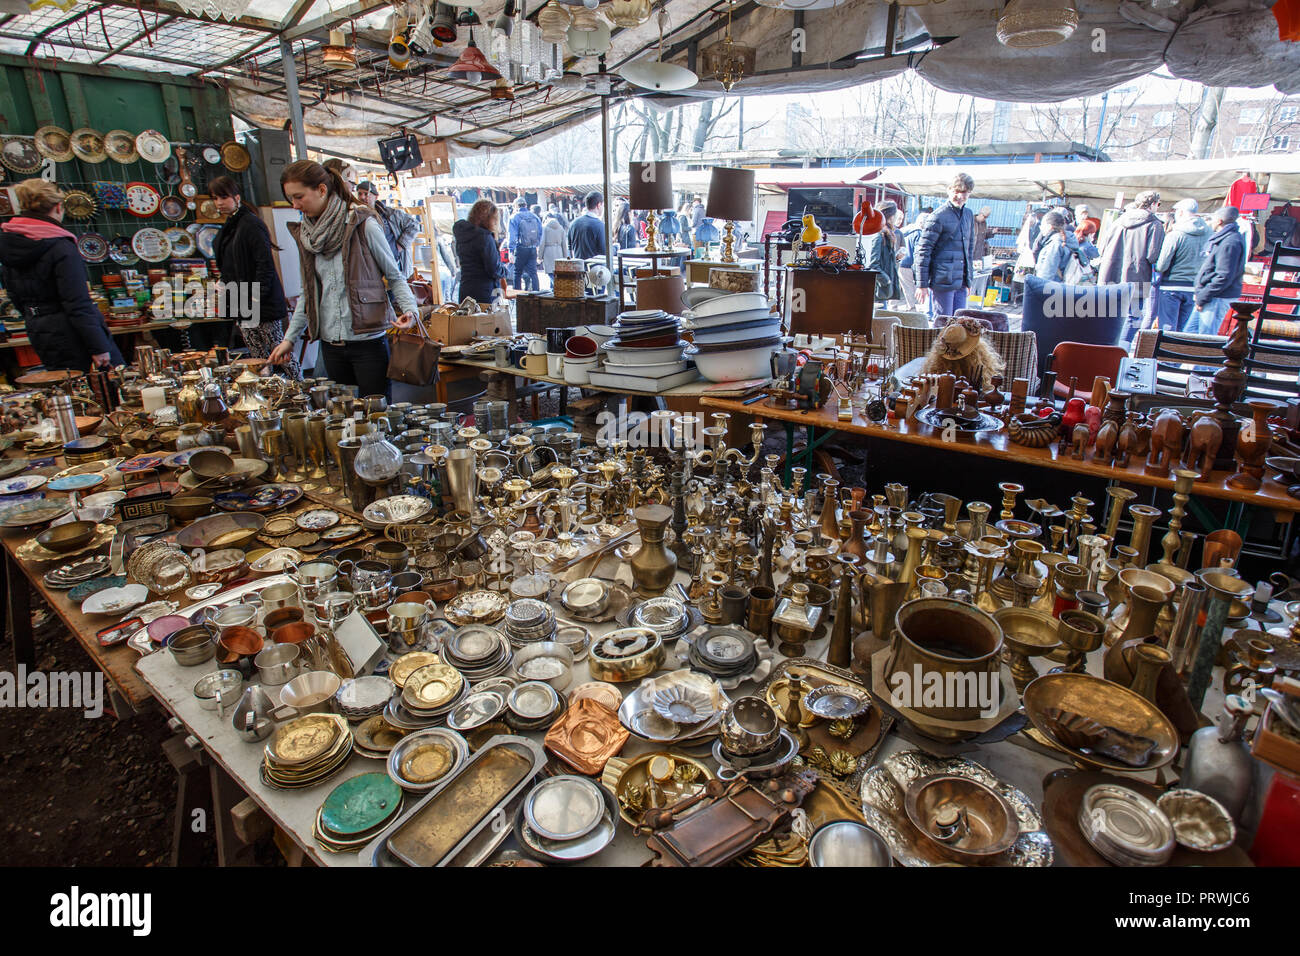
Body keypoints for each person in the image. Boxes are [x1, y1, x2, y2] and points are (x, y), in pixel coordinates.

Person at [268, 160, 416, 400]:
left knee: (376, 417)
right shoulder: (307, 235)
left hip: (368, 342)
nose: (295, 205)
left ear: (322, 190)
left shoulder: (363, 224)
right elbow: (309, 293)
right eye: (290, 199)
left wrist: (411, 311)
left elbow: (394, 276)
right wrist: (289, 339)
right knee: (342, 418)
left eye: (299, 197)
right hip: (330, 344)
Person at [0, 179, 123, 372]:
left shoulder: (9, 241)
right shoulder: (59, 246)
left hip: (39, 329)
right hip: (74, 332)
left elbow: (14, 296)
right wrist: (99, 347)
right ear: (58, 207)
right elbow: (77, 303)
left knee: (66, 388)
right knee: (109, 386)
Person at [209, 175, 300, 379]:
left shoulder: (250, 224)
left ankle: (301, 391)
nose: (219, 202)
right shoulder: (231, 226)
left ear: (237, 196)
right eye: (215, 198)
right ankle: (266, 392)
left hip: (260, 302)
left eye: (224, 197)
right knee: (257, 357)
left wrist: (255, 297)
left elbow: (264, 265)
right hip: (242, 300)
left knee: (280, 353)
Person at [1098, 189, 1164, 339]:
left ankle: (1104, 346)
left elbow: (1102, 248)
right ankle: (1121, 351)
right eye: (1158, 204)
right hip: (1136, 277)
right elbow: (1153, 256)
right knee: (1132, 317)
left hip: (1110, 274)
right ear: (1153, 204)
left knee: (1108, 314)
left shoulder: (1117, 222)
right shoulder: (1154, 225)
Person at [915, 172, 976, 323]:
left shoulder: (968, 215)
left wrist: (968, 281)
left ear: (969, 193)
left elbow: (968, 250)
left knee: (961, 326)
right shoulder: (937, 216)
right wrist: (921, 284)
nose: (960, 196)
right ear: (949, 190)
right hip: (942, 281)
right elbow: (923, 251)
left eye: (964, 192)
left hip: (960, 282)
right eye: (957, 191)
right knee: (943, 325)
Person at [1153, 198, 1210, 332]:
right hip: (1194, 286)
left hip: (1171, 286)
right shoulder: (1209, 233)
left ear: (1181, 212)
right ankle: (1175, 352)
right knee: (1183, 329)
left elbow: (1162, 265)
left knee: (1167, 327)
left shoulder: (1175, 234)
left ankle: (1163, 352)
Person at [1192, 206, 1247, 335]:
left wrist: (1203, 297)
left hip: (1216, 297)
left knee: (1205, 338)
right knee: (1189, 334)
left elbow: (1223, 276)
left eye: (1213, 218)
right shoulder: (1226, 239)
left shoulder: (1230, 242)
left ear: (1220, 221)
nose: (1211, 221)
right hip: (1210, 295)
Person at [355, 180, 420, 279]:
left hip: (395, 266)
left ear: (376, 197)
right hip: (373, 271)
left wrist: (400, 245)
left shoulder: (391, 214)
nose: (363, 197)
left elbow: (414, 225)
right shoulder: (356, 218)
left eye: (366, 194)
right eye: (360, 194)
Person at [453, 198, 508, 305]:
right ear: (491, 218)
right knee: (485, 321)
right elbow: (493, 269)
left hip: (466, 289)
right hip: (485, 292)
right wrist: (505, 271)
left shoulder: (463, 234)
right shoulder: (485, 238)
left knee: (468, 320)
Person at [862, 200, 900, 304]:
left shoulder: (885, 235)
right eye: (895, 215)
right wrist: (886, 281)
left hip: (882, 288)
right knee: (879, 315)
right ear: (890, 216)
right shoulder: (879, 236)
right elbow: (873, 265)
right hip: (879, 289)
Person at [896, 208, 931, 311]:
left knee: (899, 286)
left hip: (899, 261)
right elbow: (918, 252)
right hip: (908, 264)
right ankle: (912, 309)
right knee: (909, 288)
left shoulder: (905, 230)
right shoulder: (919, 233)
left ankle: (892, 307)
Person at [506, 197, 543, 292]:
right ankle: (536, 293)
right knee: (533, 273)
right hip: (533, 248)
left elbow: (512, 236)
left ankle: (517, 295)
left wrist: (511, 250)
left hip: (520, 248)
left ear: (516, 206)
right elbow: (540, 233)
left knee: (517, 272)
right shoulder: (535, 216)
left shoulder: (514, 217)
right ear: (526, 205)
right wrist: (538, 247)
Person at [1033, 209, 1072, 282]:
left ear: (1049, 226)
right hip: (1063, 287)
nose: (1041, 228)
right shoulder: (1068, 239)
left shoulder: (1054, 244)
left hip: (1052, 288)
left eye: (1042, 225)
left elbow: (1046, 274)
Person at [568, 190, 606, 261]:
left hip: (577, 268)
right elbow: (604, 252)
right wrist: (615, 248)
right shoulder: (600, 226)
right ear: (599, 205)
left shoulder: (573, 223)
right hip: (594, 269)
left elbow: (570, 249)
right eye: (603, 205)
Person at [540, 206, 570, 284]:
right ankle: (553, 290)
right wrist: (566, 257)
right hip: (559, 252)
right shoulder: (561, 228)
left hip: (548, 252)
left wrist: (539, 256)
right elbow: (564, 244)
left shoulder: (545, 228)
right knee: (557, 273)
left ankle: (557, 289)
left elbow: (542, 243)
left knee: (551, 274)